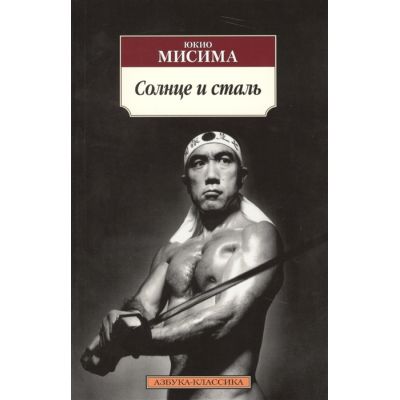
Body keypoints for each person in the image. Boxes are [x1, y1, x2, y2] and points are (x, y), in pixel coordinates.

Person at [81, 131, 284, 400]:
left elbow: (224, 319)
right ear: (187, 181)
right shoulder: (171, 252)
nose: (212, 175)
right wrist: (113, 334)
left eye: (224, 160)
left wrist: (138, 343)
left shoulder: (258, 236)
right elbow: (142, 309)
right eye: (199, 163)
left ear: (241, 177)